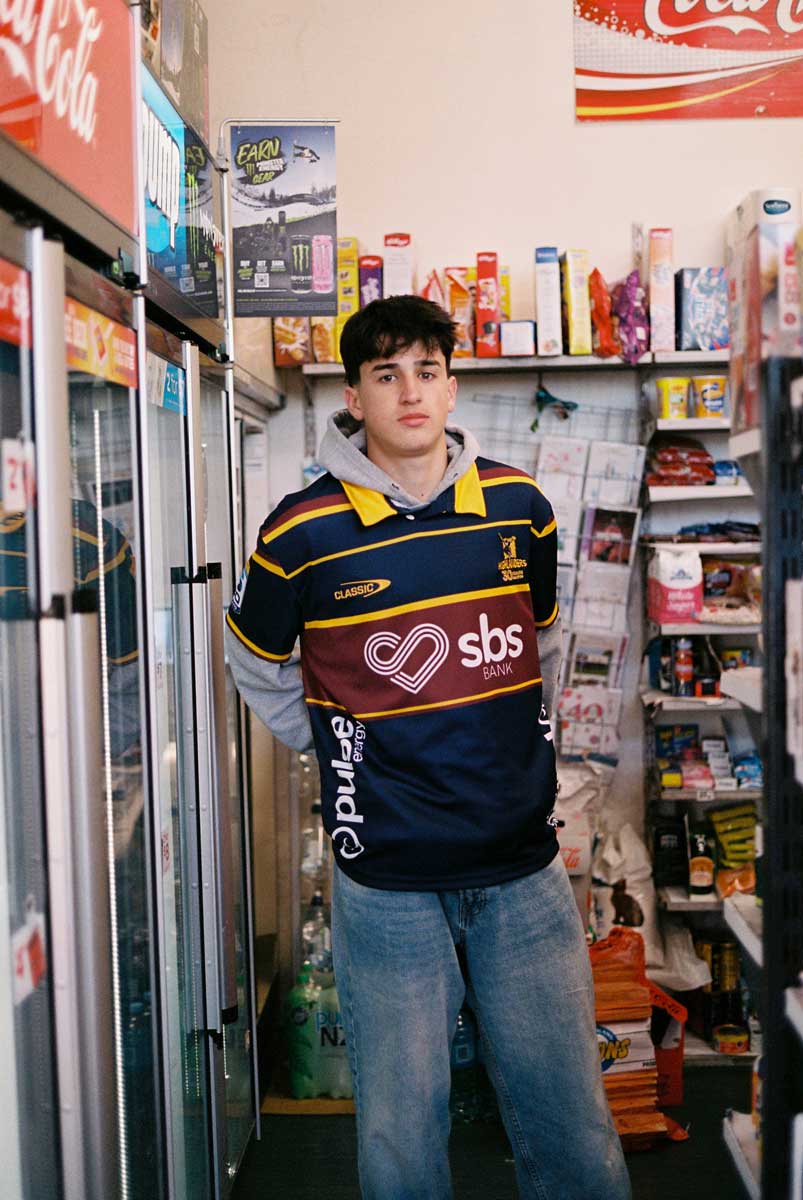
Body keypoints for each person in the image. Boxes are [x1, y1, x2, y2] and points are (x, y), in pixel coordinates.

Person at [225, 296, 631, 1200]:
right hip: (387, 881)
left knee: (570, 1121)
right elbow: (252, 666)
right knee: (403, 1135)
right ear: (354, 396)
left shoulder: (519, 507)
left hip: (522, 867)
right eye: (385, 374)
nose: (409, 390)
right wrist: (340, 748)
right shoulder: (299, 532)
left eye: (426, 370)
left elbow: (542, 644)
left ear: (451, 385)